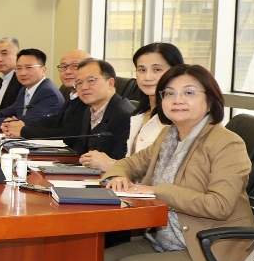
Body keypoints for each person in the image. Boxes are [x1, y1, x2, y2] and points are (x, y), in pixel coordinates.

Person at [98, 65, 254, 261]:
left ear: (210, 101)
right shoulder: (169, 136)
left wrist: (159, 191)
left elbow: (220, 205)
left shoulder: (226, 144)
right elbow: (130, 163)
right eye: (169, 93)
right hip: (168, 237)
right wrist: (117, 175)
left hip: (211, 247)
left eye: (188, 92)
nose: (176, 99)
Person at [79, 43, 185, 172]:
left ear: (175, 72)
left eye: (157, 70)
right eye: (142, 70)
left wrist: (111, 165)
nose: (147, 77)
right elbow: (133, 163)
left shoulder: (179, 116)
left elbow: (168, 172)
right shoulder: (139, 115)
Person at [2, 49, 91, 139]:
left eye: (75, 66)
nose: (68, 71)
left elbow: (70, 134)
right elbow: (54, 123)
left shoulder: (89, 99)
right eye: (64, 66)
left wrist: (23, 131)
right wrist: (17, 126)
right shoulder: (72, 96)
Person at [56, 58, 137, 158]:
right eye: (79, 83)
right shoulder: (89, 110)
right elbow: (80, 148)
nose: (84, 87)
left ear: (110, 83)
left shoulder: (125, 116)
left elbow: (121, 159)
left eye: (91, 80)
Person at [0, 49, 62, 126]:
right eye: (19, 68)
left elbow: (28, 122)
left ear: (43, 70)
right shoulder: (24, 90)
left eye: (29, 67)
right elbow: (7, 112)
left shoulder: (48, 93)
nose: (23, 73)